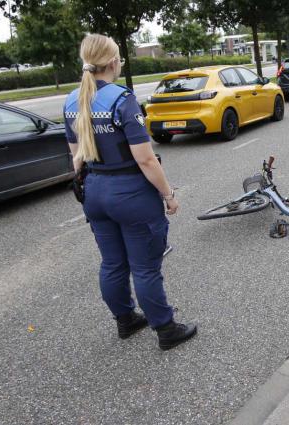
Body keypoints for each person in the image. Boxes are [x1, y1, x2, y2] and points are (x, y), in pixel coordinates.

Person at [63, 34, 197, 350]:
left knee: (112, 263)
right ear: (113, 62)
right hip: (130, 193)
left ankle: (125, 320)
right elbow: (146, 159)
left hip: (95, 191)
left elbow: (76, 157)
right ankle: (166, 329)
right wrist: (168, 195)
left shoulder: (72, 101)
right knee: (145, 267)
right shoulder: (123, 100)